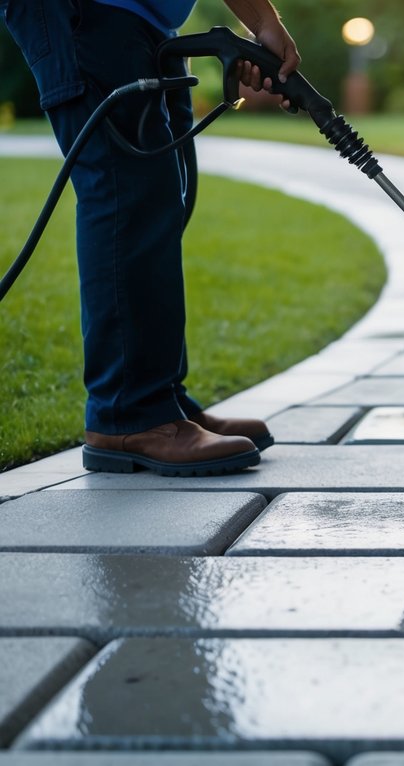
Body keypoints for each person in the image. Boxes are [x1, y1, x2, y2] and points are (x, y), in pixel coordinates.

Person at [0, 0, 300, 475]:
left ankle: (161, 401)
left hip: (147, 21)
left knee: (159, 204)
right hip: (86, 11)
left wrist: (264, 22)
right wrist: (263, 21)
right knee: (127, 196)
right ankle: (129, 414)